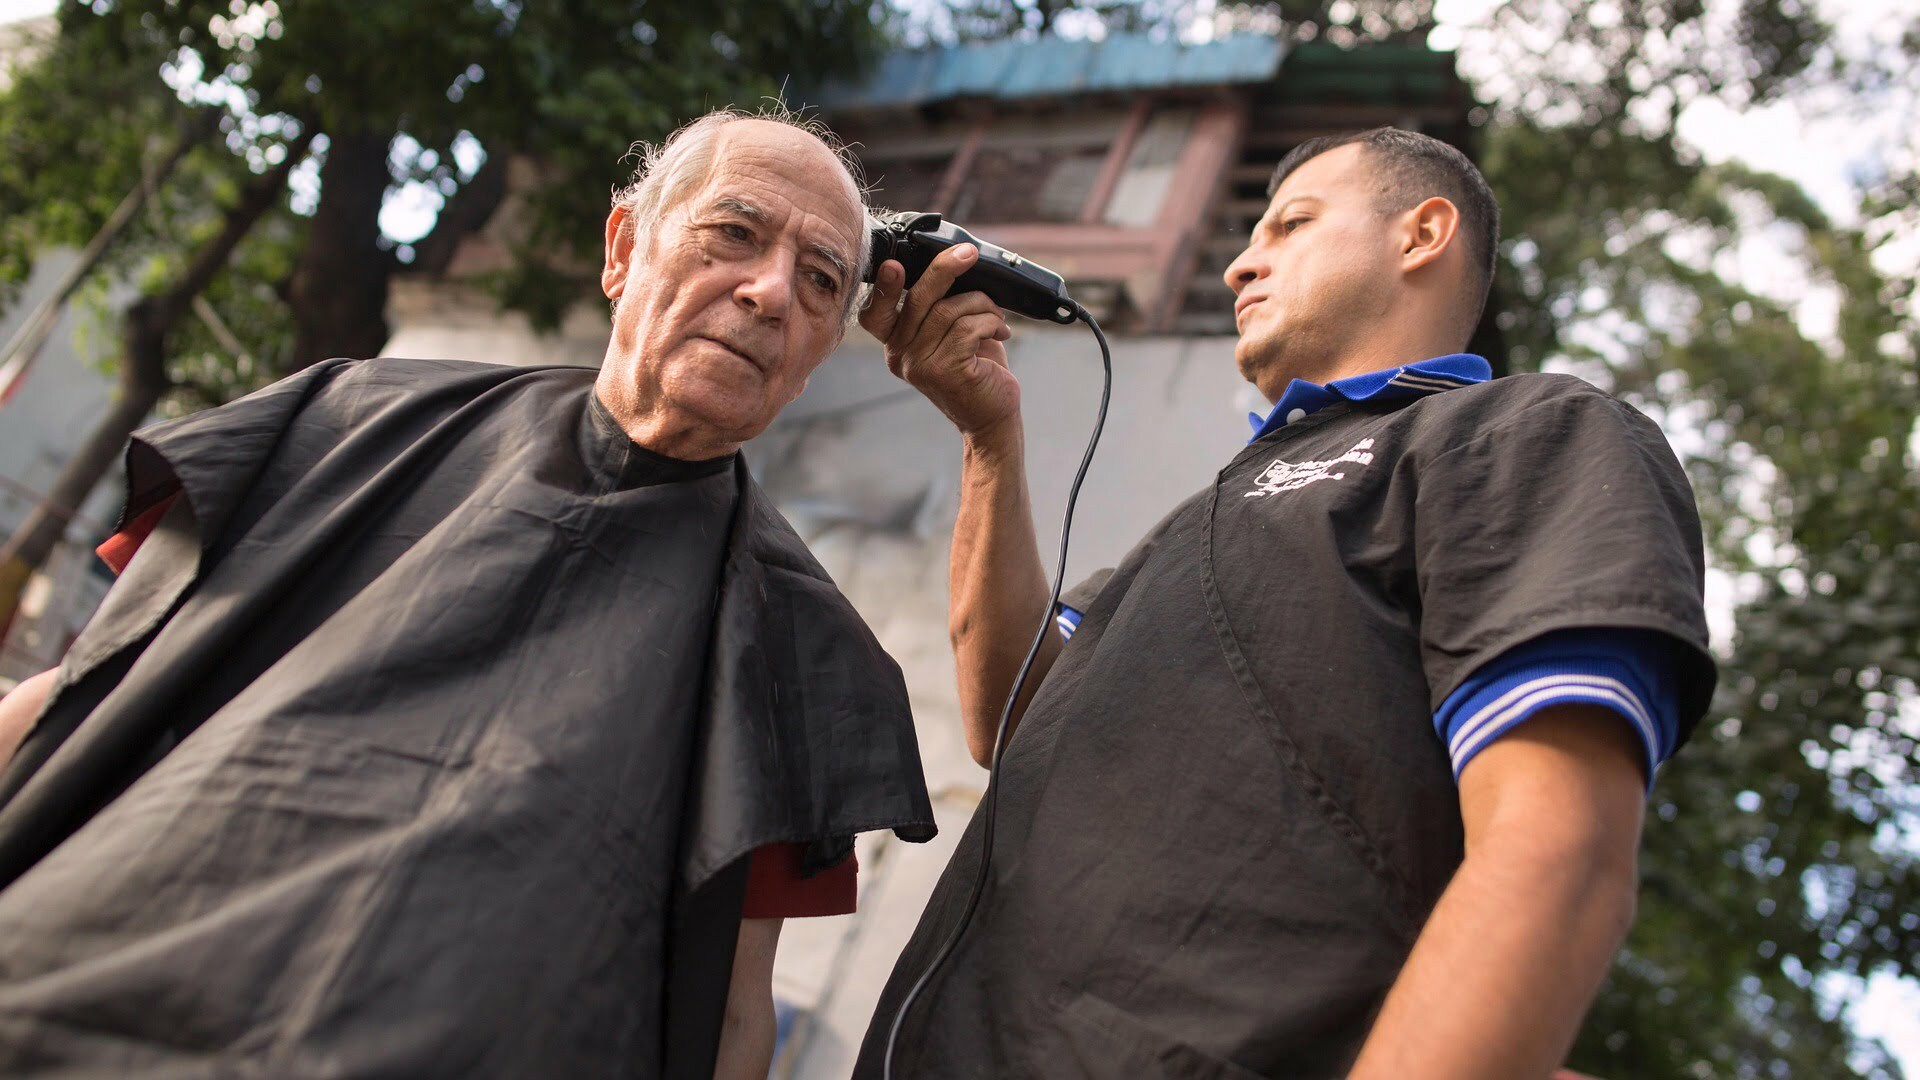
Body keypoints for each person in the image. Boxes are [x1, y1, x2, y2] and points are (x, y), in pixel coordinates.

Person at [0, 108, 934, 1079]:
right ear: (623, 248)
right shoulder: (345, 426)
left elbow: (734, 1013)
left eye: (821, 280)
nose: (770, 290)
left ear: (826, 344)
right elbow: (81, 698)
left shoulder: (804, 657)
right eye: (733, 234)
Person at [853, 127, 1717, 1078]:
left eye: (1291, 224)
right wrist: (989, 438)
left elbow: (1559, 850)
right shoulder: (1188, 527)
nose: (1237, 265)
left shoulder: (1520, 435)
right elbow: (1009, 713)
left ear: (1423, 234)